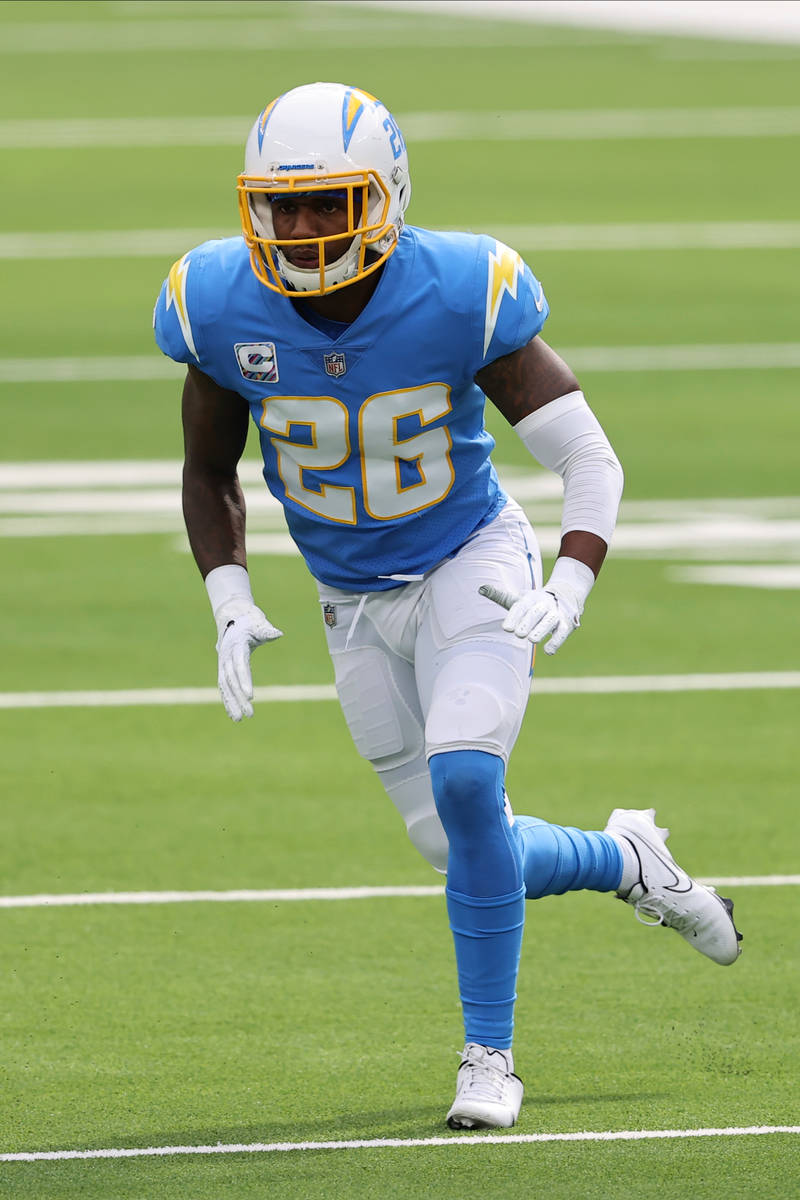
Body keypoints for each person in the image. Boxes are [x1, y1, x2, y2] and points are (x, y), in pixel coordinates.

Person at [154, 82, 742, 1131]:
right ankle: (625, 859)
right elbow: (208, 470)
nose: (300, 227)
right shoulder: (217, 302)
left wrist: (570, 580)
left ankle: (489, 1058)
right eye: (282, 205)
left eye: (328, 202)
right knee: (462, 846)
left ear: (384, 197)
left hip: (468, 558)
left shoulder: (460, 288)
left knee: (468, 782)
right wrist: (228, 594)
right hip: (347, 598)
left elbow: (587, 456)